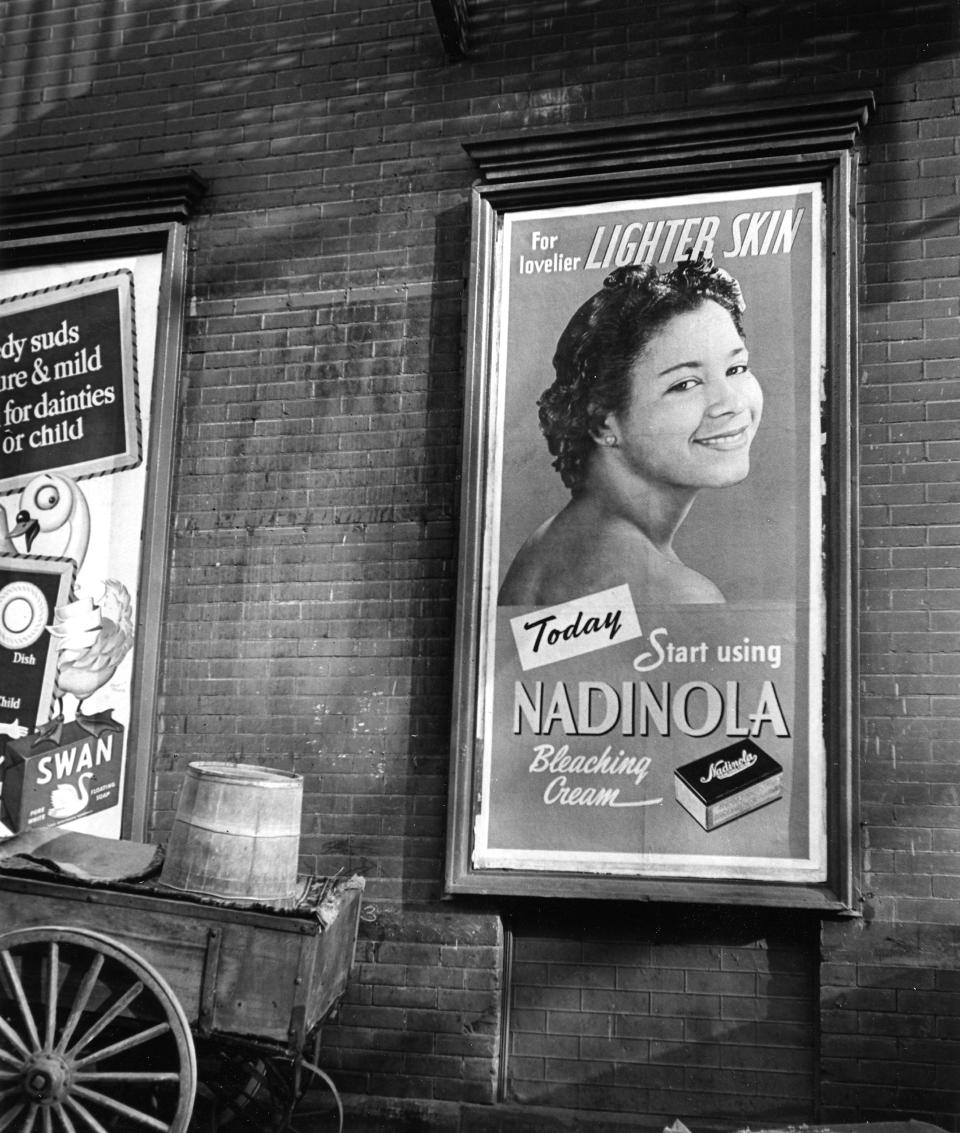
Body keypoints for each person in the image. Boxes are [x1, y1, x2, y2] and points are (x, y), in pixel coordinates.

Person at [498, 257, 762, 606]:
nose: (729, 403)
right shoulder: (679, 596)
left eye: (736, 367)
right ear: (604, 422)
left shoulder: (552, 540)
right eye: (684, 384)